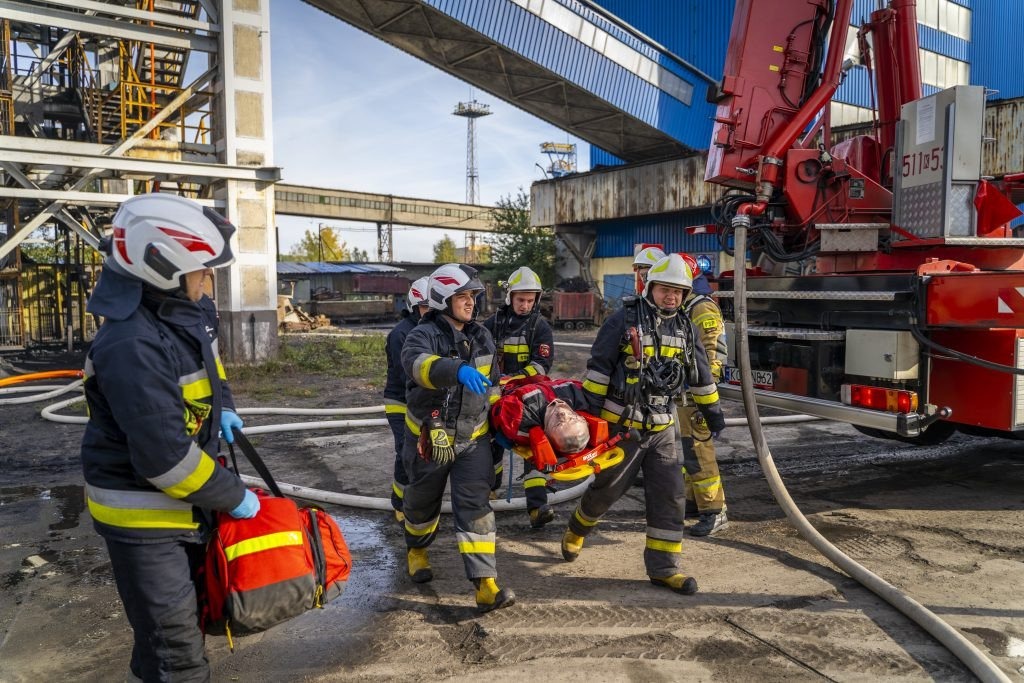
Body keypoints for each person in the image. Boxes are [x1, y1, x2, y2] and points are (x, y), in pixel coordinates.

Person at [79, 193, 258, 682]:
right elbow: (165, 461)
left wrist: (227, 410)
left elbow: (211, 371)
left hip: (183, 505)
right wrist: (234, 496)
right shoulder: (132, 343)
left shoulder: (179, 318)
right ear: (165, 267)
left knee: (167, 643)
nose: (208, 282)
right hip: (145, 516)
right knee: (176, 655)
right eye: (203, 271)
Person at [564, 254, 726, 595]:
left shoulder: (686, 327)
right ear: (650, 288)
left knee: (670, 496)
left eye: (679, 292)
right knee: (609, 489)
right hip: (623, 425)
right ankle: (578, 528)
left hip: (663, 425)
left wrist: (713, 413)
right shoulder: (622, 321)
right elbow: (597, 372)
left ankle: (664, 569)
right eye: (665, 289)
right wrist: (591, 418)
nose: (671, 297)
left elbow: (700, 376)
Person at [400, 263, 515, 613]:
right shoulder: (422, 334)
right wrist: (455, 370)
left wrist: (501, 428)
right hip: (430, 437)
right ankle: (417, 549)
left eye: (472, 296)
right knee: (421, 503)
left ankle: (485, 584)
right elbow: (416, 364)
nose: (470, 303)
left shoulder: (482, 336)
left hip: (472, 438)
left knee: (476, 508)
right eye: (462, 296)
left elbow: (493, 386)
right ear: (442, 299)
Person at [483, 266, 556, 528]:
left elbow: (542, 364)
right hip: (497, 395)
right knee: (491, 444)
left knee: (534, 445)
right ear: (510, 297)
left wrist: (512, 379)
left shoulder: (540, 327)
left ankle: (537, 507)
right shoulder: (493, 324)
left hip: (530, 397)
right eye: (520, 299)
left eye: (530, 300)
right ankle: (490, 492)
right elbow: (480, 355)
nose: (525, 305)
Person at [676, 254, 730, 536]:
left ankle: (715, 510)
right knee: (689, 450)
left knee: (700, 448)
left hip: (698, 392)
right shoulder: (684, 305)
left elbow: (713, 354)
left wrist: (703, 393)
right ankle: (694, 502)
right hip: (684, 390)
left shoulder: (701, 307)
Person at [382, 276, 430, 523]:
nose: (428, 312)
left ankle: (417, 498)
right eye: (424, 307)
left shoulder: (434, 329)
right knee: (406, 451)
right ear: (414, 306)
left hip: (425, 400)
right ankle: (399, 503)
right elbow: (407, 375)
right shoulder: (401, 334)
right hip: (400, 401)